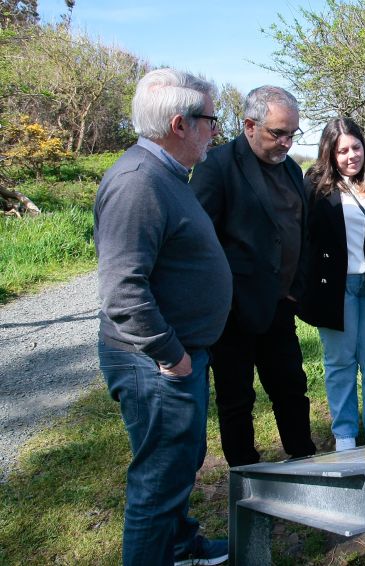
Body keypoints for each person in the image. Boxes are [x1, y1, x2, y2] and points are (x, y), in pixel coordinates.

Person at [94, 68, 230, 565]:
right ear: (180, 123)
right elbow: (123, 291)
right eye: (211, 121)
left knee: (178, 466)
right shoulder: (137, 183)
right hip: (153, 362)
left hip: (177, 354)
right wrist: (171, 355)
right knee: (157, 484)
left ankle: (180, 547)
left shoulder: (166, 175)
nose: (216, 131)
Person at [190, 86, 316, 467]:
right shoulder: (217, 167)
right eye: (278, 133)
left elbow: (300, 232)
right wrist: (221, 301)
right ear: (249, 125)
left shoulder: (292, 169)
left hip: (280, 307)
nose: (287, 143)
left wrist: (295, 289)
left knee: (292, 388)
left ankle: (304, 461)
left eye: (293, 133)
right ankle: (246, 473)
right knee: (236, 398)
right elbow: (198, 243)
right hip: (233, 314)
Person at [299, 118, 365, 451]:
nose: (351, 155)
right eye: (342, 150)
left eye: (356, 147)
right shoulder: (315, 184)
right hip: (334, 287)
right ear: (329, 153)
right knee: (340, 363)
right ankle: (345, 434)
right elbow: (308, 235)